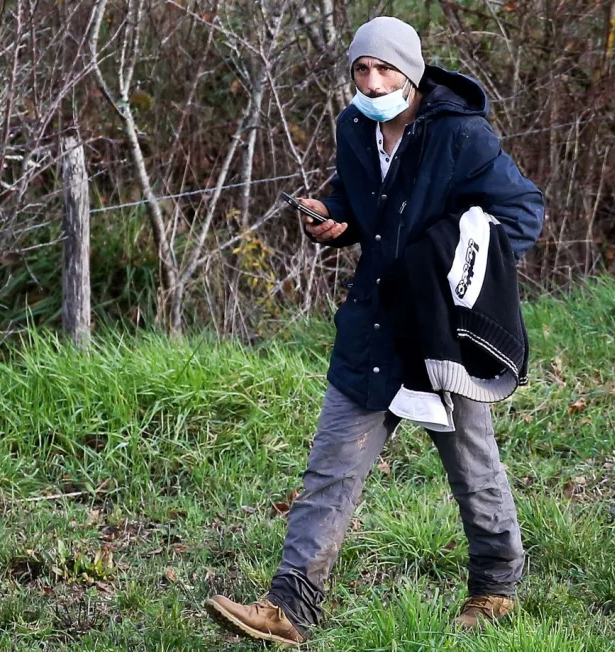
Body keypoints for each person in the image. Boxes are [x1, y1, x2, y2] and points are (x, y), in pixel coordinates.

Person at [205, 16, 545, 647]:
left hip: (442, 331)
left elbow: (522, 213)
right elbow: (362, 206)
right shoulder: (354, 127)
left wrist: (451, 262)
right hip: (373, 322)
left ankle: (496, 587)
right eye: (361, 68)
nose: (372, 79)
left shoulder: (461, 136)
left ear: (411, 72)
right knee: (330, 469)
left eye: (385, 68)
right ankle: (290, 608)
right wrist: (333, 218)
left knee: (473, 465)